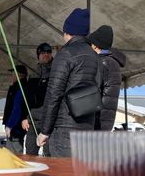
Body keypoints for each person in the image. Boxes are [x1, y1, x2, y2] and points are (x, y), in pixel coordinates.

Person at [37, 8, 99, 157]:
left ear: (67, 31)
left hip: (65, 127)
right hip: (87, 126)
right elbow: (98, 89)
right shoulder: (94, 55)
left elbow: (54, 93)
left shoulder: (65, 54)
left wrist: (45, 130)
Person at [87, 25, 126, 131]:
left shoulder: (103, 63)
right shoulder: (112, 62)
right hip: (105, 120)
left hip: (97, 120)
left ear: (95, 45)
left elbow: (90, 90)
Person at [22, 42, 54, 156]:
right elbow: (27, 98)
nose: (46, 54)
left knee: (49, 155)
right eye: (42, 52)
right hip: (33, 121)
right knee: (30, 153)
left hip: (50, 121)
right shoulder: (34, 74)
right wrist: (25, 117)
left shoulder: (56, 71)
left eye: (48, 52)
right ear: (38, 55)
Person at [2, 65, 29, 154]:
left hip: (15, 127)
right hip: (14, 126)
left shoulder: (20, 87)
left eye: (13, 74)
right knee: (10, 151)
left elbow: (17, 108)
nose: (11, 76)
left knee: (15, 153)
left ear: (19, 75)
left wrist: (10, 125)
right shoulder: (16, 87)